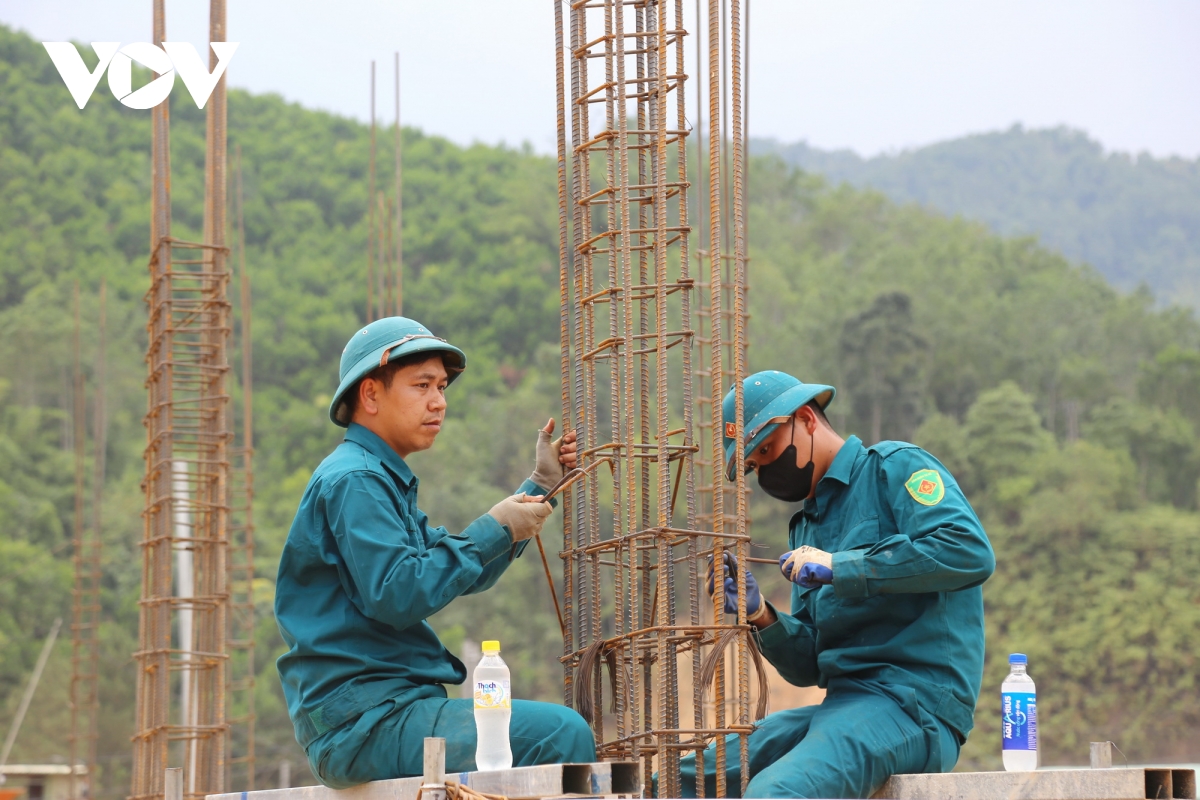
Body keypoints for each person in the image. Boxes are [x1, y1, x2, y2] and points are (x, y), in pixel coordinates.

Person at [275, 316, 596, 789]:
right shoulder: (356, 480)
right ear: (370, 395)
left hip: (379, 712)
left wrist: (540, 488)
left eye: (442, 387)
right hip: (365, 721)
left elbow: (455, 568)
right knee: (561, 734)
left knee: (541, 734)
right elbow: (401, 592)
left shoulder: (377, 477)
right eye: (421, 385)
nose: (438, 402)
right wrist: (497, 528)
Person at [687, 370, 995, 799]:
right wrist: (762, 616)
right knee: (684, 777)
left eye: (768, 450)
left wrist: (842, 567)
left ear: (807, 419)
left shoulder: (895, 468)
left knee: (776, 793)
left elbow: (968, 552)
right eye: (755, 467)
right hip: (842, 709)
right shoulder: (806, 527)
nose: (766, 473)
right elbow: (811, 664)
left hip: (914, 708)